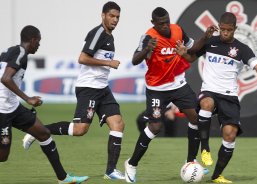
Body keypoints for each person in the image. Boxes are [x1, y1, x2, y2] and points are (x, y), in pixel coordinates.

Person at [22, 1, 125, 180]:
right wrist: (108, 63)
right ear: (103, 15)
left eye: (117, 17)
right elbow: (83, 58)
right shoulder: (98, 33)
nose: (115, 20)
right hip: (89, 88)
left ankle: (110, 171)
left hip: (102, 88)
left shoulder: (110, 36)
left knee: (118, 124)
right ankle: (38, 131)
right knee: (80, 129)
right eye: (111, 16)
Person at [124, 7, 217, 183]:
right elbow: (135, 60)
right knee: (155, 127)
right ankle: (132, 164)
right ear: (153, 24)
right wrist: (146, 50)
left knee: (195, 119)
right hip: (157, 89)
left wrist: (205, 37)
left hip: (179, 85)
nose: (166, 26)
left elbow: (192, 50)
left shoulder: (177, 30)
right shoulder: (148, 37)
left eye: (167, 21)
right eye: (161, 24)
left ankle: (190, 161)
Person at [176, 12, 257, 183]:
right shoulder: (210, 42)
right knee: (206, 104)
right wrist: (183, 53)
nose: (225, 33)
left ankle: (217, 175)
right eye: (223, 29)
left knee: (230, 134)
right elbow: (190, 57)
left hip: (229, 96)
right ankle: (205, 148)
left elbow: (255, 63)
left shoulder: (242, 48)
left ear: (235, 29)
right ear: (219, 26)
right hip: (209, 90)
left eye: (229, 30)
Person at [0, 25, 89, 184]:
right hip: (2, 111)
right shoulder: (20, 52)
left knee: (43, 133)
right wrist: (28, 99)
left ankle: (63, 178)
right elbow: (5, 78)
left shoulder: (11, 51)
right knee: (3, 156)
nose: (39, 45)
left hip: (12, 107)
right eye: (39, 41)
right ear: (33, 40)